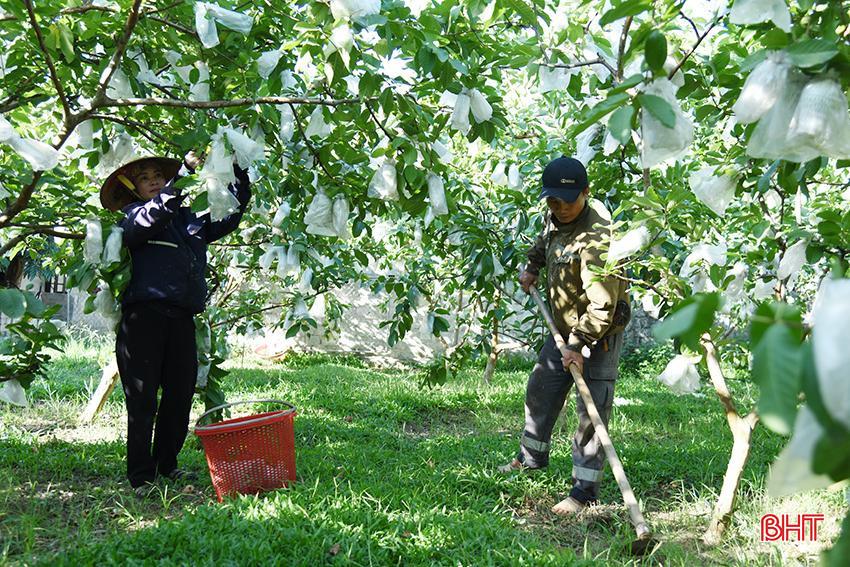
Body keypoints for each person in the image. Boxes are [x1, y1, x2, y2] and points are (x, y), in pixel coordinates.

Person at [99, 151, 252, 496]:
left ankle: (167, 465)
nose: (153, 180)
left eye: (158, 174)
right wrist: (180, 176)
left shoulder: (188, 220)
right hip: (144, 320)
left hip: (181, 319)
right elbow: (152, 217)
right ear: (133, 189)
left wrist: (239, 174)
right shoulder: (133, 217)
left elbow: (227, 218)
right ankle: (141, 475)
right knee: (142, 400)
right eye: (145, 177)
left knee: (180, 396)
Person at [499, 156, 630, 516]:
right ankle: (530, 458)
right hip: (563, 326)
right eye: (553, 201)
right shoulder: (556, 215)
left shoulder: (597, 241)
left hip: (598, 332)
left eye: (568, 202)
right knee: (541, 388)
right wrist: (531, 266)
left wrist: (578, 344)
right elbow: (545, 241)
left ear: (586, 194)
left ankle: (584, 492)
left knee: (592, 410)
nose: (560, 209)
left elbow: (602, 306)